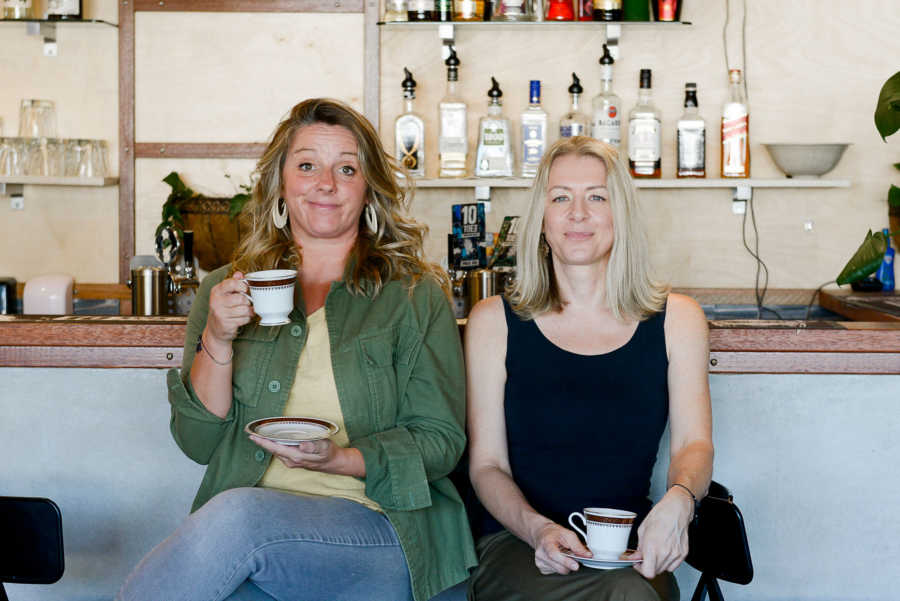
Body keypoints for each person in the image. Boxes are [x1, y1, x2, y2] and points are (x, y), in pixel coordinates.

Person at [117, 98, 476, 601]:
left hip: (381, 529)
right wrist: (218, 337)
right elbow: (196, 442)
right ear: (281, 183)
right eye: (307, 165)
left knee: (238, 515)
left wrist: (343, 459)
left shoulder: (413, 294)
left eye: (345, 168)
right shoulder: (227, 288)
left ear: (368, 187)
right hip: (254, 538)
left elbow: (441, 441)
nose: (325, 183)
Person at [464, 136, 713, 601]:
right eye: (561, 198)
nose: (577, 214)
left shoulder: (677, 319)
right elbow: (487, 466)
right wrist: (538, 529)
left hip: (627, 551)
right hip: (518, 543)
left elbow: (693, 445)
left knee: (629, 592)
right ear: (542, 218)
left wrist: (679, 501)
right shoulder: (493, 322)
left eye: (596, 197)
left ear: (621, 214)